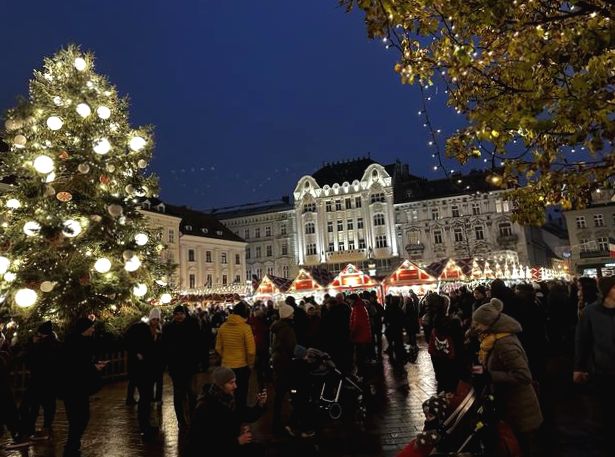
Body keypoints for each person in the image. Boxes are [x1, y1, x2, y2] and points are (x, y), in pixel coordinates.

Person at [472, 298, 543, 456]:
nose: (475, 327)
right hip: (509, 406)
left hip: (520, 408)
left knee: (521, 448)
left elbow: (523, 375)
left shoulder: (505, 344)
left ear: (489, 323)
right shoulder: (491, 340)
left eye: (477, 324)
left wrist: (489, 375)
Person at [574, 276, 615, 456]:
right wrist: (579, 367)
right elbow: (582, 340)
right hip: (603, 371)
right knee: (608, 411)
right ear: (607, 291)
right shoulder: (591, 312)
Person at [186, 367, 267, 456]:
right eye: (231, 383)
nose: (235, 386)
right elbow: (209, 444)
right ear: (220, 385)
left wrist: (260, 405)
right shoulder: (206, 408)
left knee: (260, 449)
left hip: (229, 446)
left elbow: (245, 414)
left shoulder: (228, 399)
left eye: (235, 381)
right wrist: (238, 441)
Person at [59, 317, 108, 457]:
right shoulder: (74, 343)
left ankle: (73, 445)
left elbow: (84, 362)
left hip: (79, 387)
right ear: (84, 329)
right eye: (91, 327)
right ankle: (71, 447)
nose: (93, 329)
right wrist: (94, 368)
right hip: (72, 387)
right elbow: (76, 367)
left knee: (80, 417)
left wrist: (95, 364)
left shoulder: (82, 342)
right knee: (79, 417)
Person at [125, 308, 164, 440]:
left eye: (157, 319)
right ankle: (144, 426)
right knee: (145, 398)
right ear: (150, 319)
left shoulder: (159, 332)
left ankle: (147, 424)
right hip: (141, 371)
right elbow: (130, 341)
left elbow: (157, 351)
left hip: (151, 370)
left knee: (147, 398)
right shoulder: (141, 329)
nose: (155, 321)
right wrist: (137, 353)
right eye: (154, 319)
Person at [19, 320, 62, 440]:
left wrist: (32, 344)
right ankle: (46, 427)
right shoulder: (57, 344)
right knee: (48, 406)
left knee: (31, 406)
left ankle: (29, 430)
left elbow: (28, 360)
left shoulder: (39, 346)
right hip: (51, 381)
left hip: (38, 381)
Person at [163, 305, 200, 430]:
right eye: (177, 314)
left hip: (190, 366)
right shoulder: (168, 328)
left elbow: (197, 344)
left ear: (185, 314)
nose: (179, 316)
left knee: (192, 393)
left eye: (181, 314)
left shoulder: (192, 326)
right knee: (178, 394)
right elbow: (166, 347)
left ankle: (193, 417)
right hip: (176, 367)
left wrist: (196, 361)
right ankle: (181, 420)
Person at [215, 301, 256, 411]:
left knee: (226, 395)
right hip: (242, 366)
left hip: (226, 366)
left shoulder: (223, 327)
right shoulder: (245, 328)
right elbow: (251, 351)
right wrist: (250, 364)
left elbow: (218, 347)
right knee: (241, 395)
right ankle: (240, 418)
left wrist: (226, 356)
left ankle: (229, 417)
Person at [270, 303, 297, 434]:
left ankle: (276, 420)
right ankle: (292, 420)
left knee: (279, 394)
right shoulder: (287, 329)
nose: (294, 315)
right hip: (286, 362)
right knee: (292, 391)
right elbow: (292, 347)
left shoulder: (276, 327)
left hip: (278, 361)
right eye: (292, 313)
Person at [349, 294, 372, 377]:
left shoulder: (357, 308)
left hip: (360, 336)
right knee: (362, 356)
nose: (349, 302)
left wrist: (351, 334)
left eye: (350, 300)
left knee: (360, 357)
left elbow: (356, 324)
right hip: (363, 335)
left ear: (353, 300)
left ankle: (362, 375)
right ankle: (363, 374)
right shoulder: (360, 306)